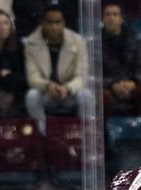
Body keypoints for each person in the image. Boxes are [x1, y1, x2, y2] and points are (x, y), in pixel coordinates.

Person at [23, 3, 90, 135]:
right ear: (43, 23)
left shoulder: (78, 42)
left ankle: (84, 135)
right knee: (32, 96)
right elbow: (33, 77)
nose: (54, 27)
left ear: (64, 23)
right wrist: (48, 86)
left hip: (69, 93)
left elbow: (81, 76)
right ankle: (42, 135)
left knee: (86, 96)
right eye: (50, 22)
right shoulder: (31, 43)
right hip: (47, 93)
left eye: (58, 22)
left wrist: (67, 88)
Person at [99, 0, 141, 118]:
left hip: (131, 84)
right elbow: (92, 73)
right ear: (102, 19)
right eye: (107, 14)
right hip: (107, 86)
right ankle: (105, 135)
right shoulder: (95, 43)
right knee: (103, 96)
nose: (111, 17)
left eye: (115, 14)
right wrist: (112, 84)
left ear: (122, 18)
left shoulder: (135, 40)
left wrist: (132, 83)